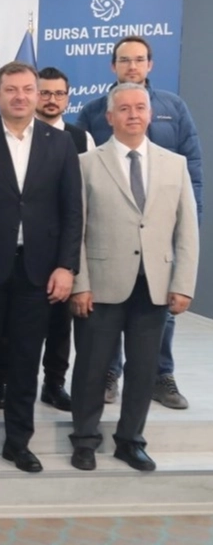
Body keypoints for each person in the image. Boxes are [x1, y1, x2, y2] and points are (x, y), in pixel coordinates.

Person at [0, 62, 82, 475]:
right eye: (11, 89)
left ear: (38, 94)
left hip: (38, 272)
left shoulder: (60, 143)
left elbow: (73, 211)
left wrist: (66, 267)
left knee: (27, 361)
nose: (21, 96)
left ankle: (17, 443)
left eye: (28, 89)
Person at [70, 84, 197, 473]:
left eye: (140, 107)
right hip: (101, 285)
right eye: (123, 109)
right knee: (92, 369)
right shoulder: (86, 163)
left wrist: (182, 283)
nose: (133, 115)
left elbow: (187, 230)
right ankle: (85, 440)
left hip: (153, 286)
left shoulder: (174, 164)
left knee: (143, 371)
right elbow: (77, 230)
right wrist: (80, 284)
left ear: (150, 114)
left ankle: (130, 441)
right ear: (110, 117)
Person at [76, 35, 202, 411]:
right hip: (111, 243)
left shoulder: (173, 107)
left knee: (160, 315)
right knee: (108, 317)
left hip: (158, 239)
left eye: (139, 59)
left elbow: (192, 166)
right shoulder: (93, 111)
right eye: (124, 59)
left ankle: (161, 375)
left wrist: (189, 219)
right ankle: (109, 373)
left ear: (150, 64)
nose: (132, 66)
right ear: (113, 66)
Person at [31, 67, 92, 413]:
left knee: (59, 324)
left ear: (68, 98)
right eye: (45, 92)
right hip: (23, 246)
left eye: (58, 93)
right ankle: (5, 381)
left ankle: (54, 384)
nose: (51, 99)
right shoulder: (19, 135)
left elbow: (83, 199)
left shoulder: (81, 139)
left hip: (62, 246)